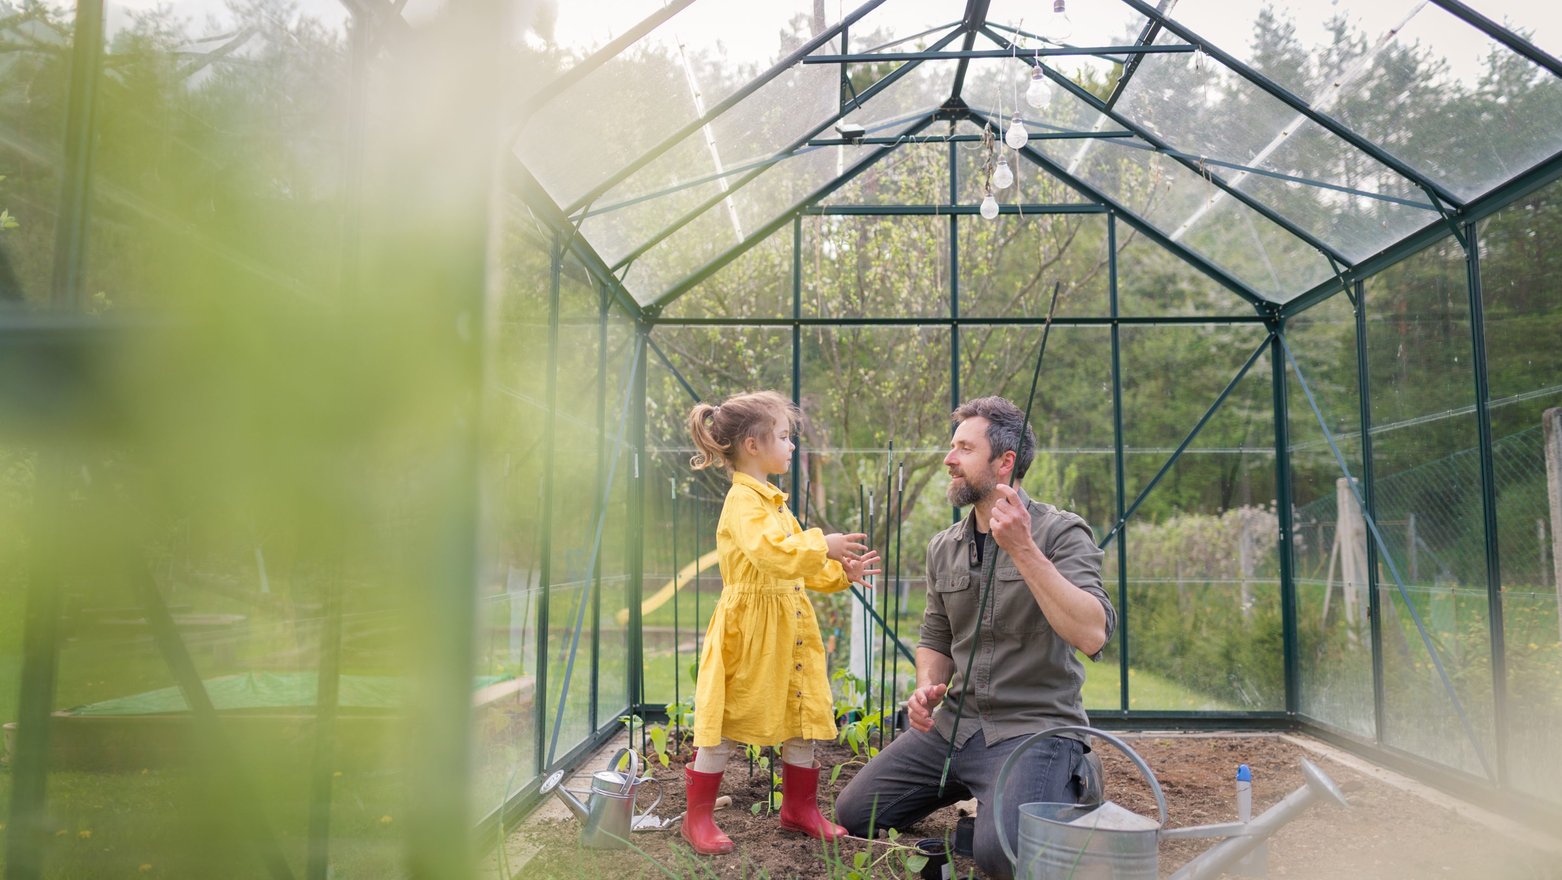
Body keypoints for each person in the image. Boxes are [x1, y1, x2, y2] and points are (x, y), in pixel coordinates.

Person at [834, 396, 1116, 879]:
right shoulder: (943, 547)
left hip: (1033, 727)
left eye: (964, 448)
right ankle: (993, 790)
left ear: (1004, 462)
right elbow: (936, 635)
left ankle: (1071, 777)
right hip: (954, 728)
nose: (949, 459)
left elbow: (1092, 633)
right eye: (952, 447)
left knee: (1000, 854)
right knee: (857, 813)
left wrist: (1023, 549)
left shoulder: (1060, 533)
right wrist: (926, 686)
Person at [681, 390, 881, 855]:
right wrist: (821, 543)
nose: (792, 446)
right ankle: (697, 819)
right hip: (750, 634)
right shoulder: (742, 502)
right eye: (786, 437)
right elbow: (771, 554)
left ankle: (800, 810)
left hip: (787, 628)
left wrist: (838, 572)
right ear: (753, 444)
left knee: (801, 715)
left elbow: (796, 564)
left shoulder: (773, 502)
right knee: (728, 720)